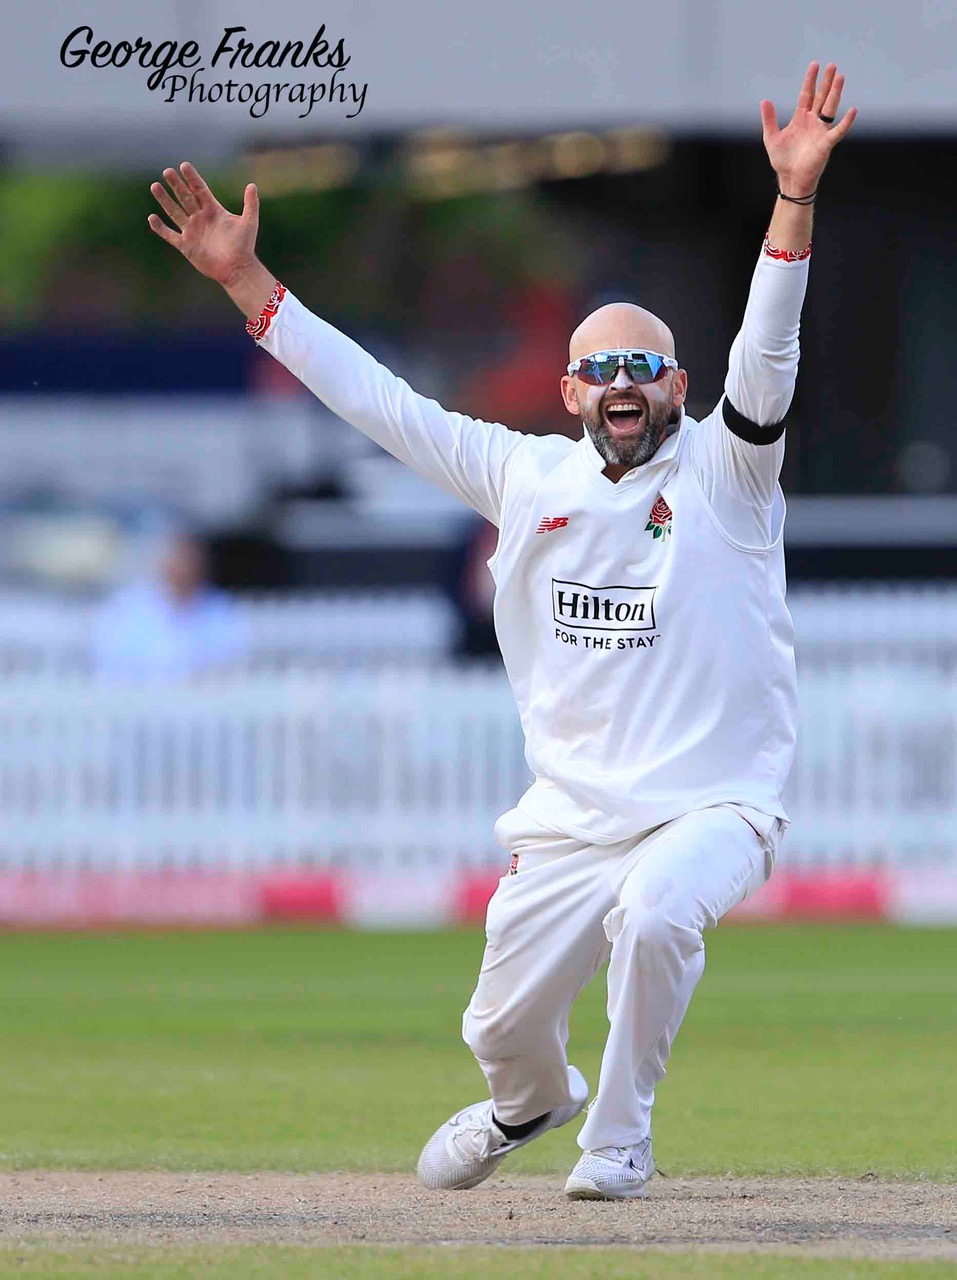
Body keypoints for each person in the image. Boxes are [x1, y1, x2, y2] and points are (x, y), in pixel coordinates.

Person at [148, 61, 855, 1199]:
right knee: (502, 1027)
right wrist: (251, 284)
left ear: (677, 383)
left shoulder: (732, 474)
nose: (623, 382)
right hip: (570, 817)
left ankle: (620, 1138)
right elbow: (381, 402)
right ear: (573, 392)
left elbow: (768, 350)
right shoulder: (523, 475)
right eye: (600, 369)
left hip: (716, 798)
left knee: (660, 911)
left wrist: (794, 198)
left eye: (644, 366)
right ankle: (532, 1099)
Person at [92, 528, 246, 678]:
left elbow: (234, 662)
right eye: (179, 559)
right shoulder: (127, 609)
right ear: (162, 562)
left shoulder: (221, 609)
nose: (184, 569)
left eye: (191, 561)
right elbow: (111, 663)